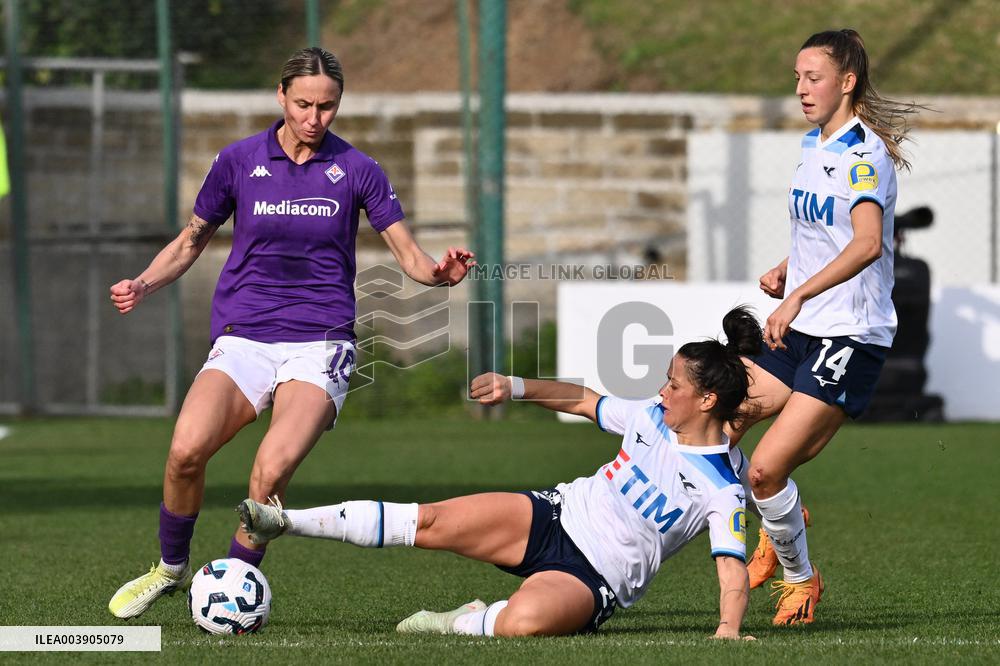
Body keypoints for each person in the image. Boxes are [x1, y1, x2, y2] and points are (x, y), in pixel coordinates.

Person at [107, 47, 474, 619]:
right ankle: (170, 569)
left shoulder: (358, 169)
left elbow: (410, 254)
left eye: (327, 107)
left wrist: (439, 275)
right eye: (303, 103)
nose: (314, 117)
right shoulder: (237, 161)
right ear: (281, 97)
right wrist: (144, 284)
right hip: (245, 334)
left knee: (271, 471)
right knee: (184, 453)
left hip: (320, 341)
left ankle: (233, 587)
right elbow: (189, 242)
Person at [237, 307, 762, 638]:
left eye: (674, 385)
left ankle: (463, 620)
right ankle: (282, 522)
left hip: (592, 577)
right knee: (430, 522)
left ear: (708, 399)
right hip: (553, 516)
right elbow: (584, 400)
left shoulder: (721, 488)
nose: (662, 391)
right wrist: (515, 385)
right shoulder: (649, 416)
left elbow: (731, 569)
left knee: (521, 623)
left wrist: (727, 630)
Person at [725, 29, 922, 626]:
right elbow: (826, 232)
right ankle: (780, 515)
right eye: (796, 77)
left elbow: (866, 245)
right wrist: (791, 268)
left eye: (813, 77)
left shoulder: (865, 156)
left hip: (849, 335)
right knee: (718, 424)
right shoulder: (815, 144)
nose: (801, 89)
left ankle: (800, 578)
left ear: (847, 81)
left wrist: (800, 294)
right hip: (805, 320)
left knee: (764, 469)